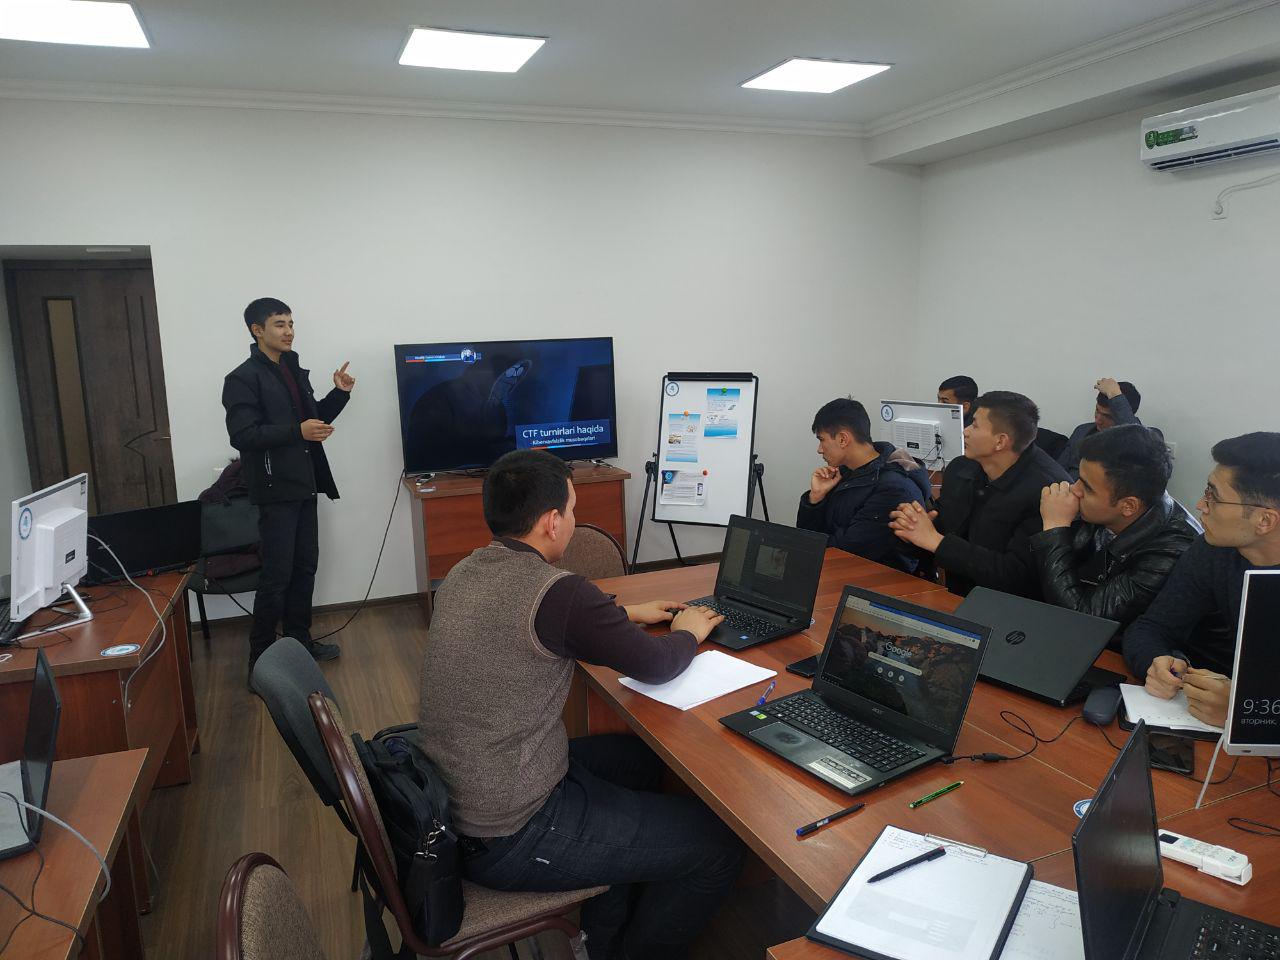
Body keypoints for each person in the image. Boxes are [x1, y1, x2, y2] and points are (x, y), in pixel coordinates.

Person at [418, 450, 742, 960]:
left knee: (640, 762)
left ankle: (605, 932)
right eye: (572, 510)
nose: (573, 520)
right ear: (552, 522)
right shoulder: (558, 593)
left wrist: (625, 613)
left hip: (464, 798)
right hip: (511, 831)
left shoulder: (466, 570)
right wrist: (687, 632)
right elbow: (657, 664)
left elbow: (544, 620)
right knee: (718, 847)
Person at [222, 298, 354, 681]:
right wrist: (297, 431)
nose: (289, 331)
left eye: (291, 323)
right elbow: (243, 435)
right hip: (274, 489)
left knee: (304, 568)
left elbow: (314, 422)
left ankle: (300, 644)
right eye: (280, 324)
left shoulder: (293, 370)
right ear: (257, 330)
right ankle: (260, 663)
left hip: (304, 484)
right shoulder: (242, 378)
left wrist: (339, 394)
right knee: (276, 577)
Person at [1124, 432, 1280, 728]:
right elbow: (1151, 627)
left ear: (1265, 520)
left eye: (1213, 497)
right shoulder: (1215, 549)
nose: (1200, 504)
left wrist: (1247, 712)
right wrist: (1156, 661)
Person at [889, 391, 1069, 598]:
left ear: (1000, 441)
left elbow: (1017, 575)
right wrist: (915, 526)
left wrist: (935, 541)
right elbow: (946, 528)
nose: (965, 431)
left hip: (1011, 606)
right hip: (957, 595)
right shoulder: (961, 467)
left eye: (974, 425)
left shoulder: (1048, 492)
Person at [1029, 424, 1197, 629]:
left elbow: (1084, 620)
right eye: (1079, 478)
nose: (1074, 489)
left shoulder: (1171, 550)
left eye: (1087, 487)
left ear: (1128, 506)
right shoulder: (1099, 511)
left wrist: (1055, 528)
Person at [797, 398, 932, 572]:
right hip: (837, 571)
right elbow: (808, 536)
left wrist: (805, 547)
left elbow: (846, 551)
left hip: (875, 580)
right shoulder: (844, 473)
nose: (819, 449)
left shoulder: (893, 489)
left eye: (822, 440)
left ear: (843, 439)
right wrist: (815, 499)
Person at [1058, 377, 1158, 478]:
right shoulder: (1082, 431)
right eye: (1097, 410)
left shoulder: (1149, 440)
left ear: (1123, 413)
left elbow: (1139, 444)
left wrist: (1115, 395)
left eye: (1108, 416)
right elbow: (1059, 471)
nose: (1098, 420)